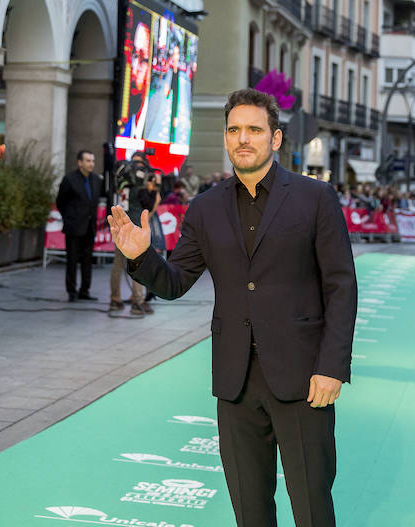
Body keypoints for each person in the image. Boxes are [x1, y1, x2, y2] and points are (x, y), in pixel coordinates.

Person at [108, 88, 357, 527]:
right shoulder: (204, 208)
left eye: (255, 130)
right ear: (226, 138)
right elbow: (175, 282)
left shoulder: (314, 198)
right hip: (235, 382)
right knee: (249, 511)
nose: (244, 138)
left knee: (313, 506)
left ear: (275, 139)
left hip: (303, 378)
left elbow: (341, 286)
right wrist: (141, 257)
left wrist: (332, 367)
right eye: (235, 130)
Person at [56, 150, 103, 302]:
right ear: (80, 162)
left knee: (87, 260)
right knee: (72, 259)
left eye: (93, 161)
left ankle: (85, 290)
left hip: (90, 226)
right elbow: (60, 201)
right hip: (74, 226)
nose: (91, 164)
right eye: (88, 161)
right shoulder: (69, 180)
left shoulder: (96, 180)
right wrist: (69, 217)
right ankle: (71, 291)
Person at [109, 151, 150, 316]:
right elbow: (148, 202)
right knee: (137, 264)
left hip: (120, 222)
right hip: (134, 225)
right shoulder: (139, 181)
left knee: (118, 264)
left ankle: (115, 300)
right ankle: (137, 302)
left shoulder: (121, 177)